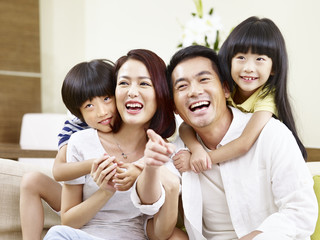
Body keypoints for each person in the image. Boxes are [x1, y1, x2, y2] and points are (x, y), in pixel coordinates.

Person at [137, 44, 317, 240]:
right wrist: (150, 168)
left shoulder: (271, 134)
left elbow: (301, 212)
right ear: (175, 108)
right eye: (182, 86)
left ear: (225, 89)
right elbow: (152, 214)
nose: (194, 91)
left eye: (204, 79)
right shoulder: (178, 150)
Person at [44, 49, 185, 240]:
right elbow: (68, 222)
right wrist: (106, 191)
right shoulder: (81, 141)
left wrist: (151, 172)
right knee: (57, 234)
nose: (132, 92)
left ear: (160, 92)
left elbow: (160, 233)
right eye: (124, 83)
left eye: (144, 83)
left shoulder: (164, 153)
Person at [177, 16, 308, 173]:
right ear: (229, 60)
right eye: (241, 57)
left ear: (273, 67)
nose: (248, 68)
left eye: (259, 59)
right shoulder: (226, 89)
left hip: (263, 163)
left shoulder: (267, 97)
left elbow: (244, 143)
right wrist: (196, 149)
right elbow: (186, 126)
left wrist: (203, 159)